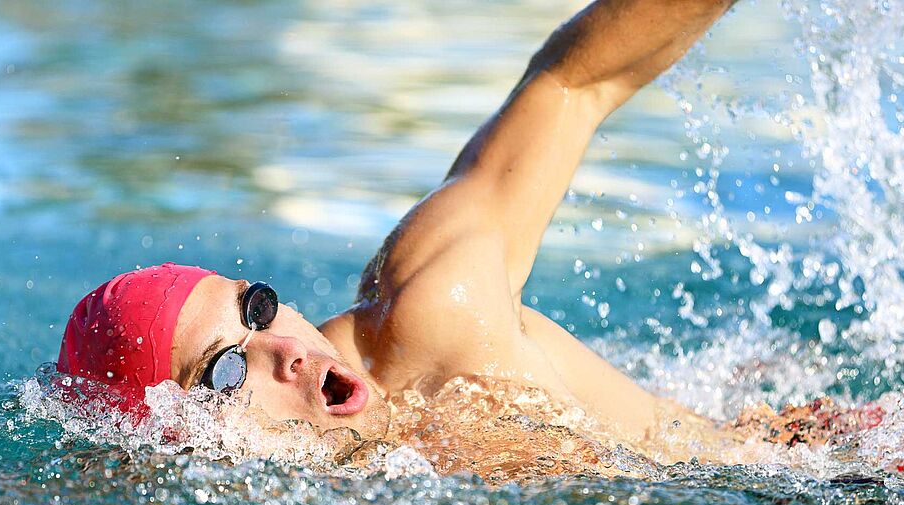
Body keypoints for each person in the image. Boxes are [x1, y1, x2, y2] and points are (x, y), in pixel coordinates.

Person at [60, 0, 882, 476]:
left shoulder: (435, 314)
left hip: (823, 463)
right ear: (178, 440)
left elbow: (572, 83)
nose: (288, 349)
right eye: (225, 369)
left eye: (258, 308)